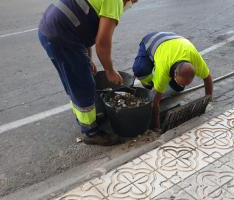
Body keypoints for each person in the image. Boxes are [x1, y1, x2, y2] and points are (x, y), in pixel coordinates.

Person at [38, 0, 137, 146]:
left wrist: (88, 59)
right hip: (62, 36)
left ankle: (84, 119)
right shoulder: (115, 1)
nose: (132, 4)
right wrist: (109, 70)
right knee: (83, 85)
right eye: (134, 1)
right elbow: (102, 42)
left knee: (74, 80)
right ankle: (90, 132)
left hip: (50, 30)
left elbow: (84, 29)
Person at [132, 32, 213, 130]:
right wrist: (157, 127)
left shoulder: (195, 60)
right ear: (175, 74)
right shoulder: (163, 70)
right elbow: (155, 102)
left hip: (176, 42)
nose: (183, 85)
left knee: (177, 88)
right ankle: (149, 84)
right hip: (151, 41)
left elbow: (207, 78)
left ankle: (170, 84)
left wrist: (208, 101)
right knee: (140, 70)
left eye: (186, 84)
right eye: (181, 81)